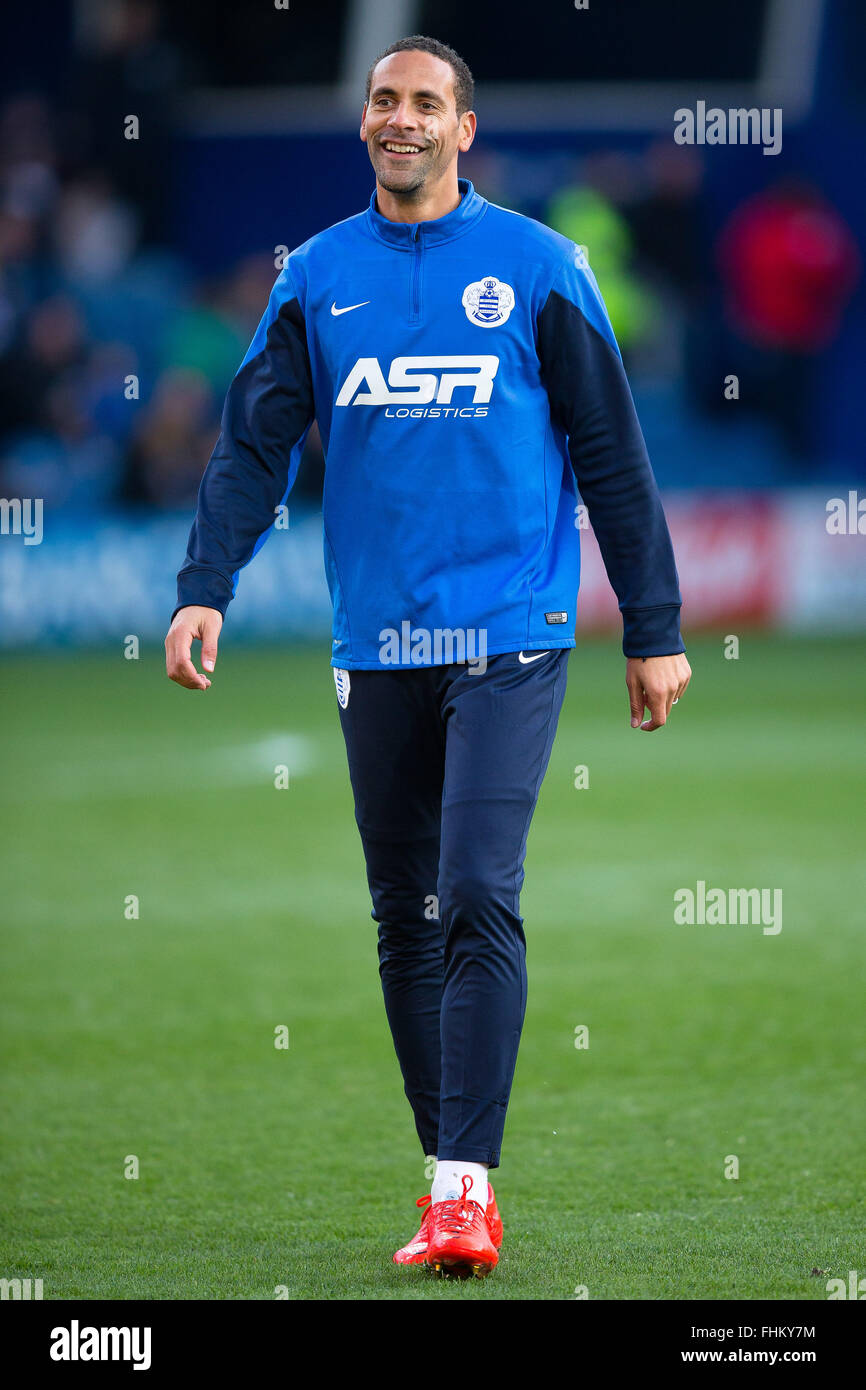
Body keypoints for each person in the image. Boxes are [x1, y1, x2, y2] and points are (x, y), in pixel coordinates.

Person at [164, 35, 691, 1279]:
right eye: (383, 100)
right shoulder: (316, 279)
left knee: (474, 888)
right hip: (375, 638)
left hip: (509, 629)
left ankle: (466, 1186)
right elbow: (252, 446)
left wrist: (654, 627)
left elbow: (612, 454)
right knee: (400, 918)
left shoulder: (539, 268)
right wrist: (204, 587)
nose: (400, 119)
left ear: (463, 126)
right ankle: (446, 1178)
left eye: (424, 104)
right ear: (364, 124)